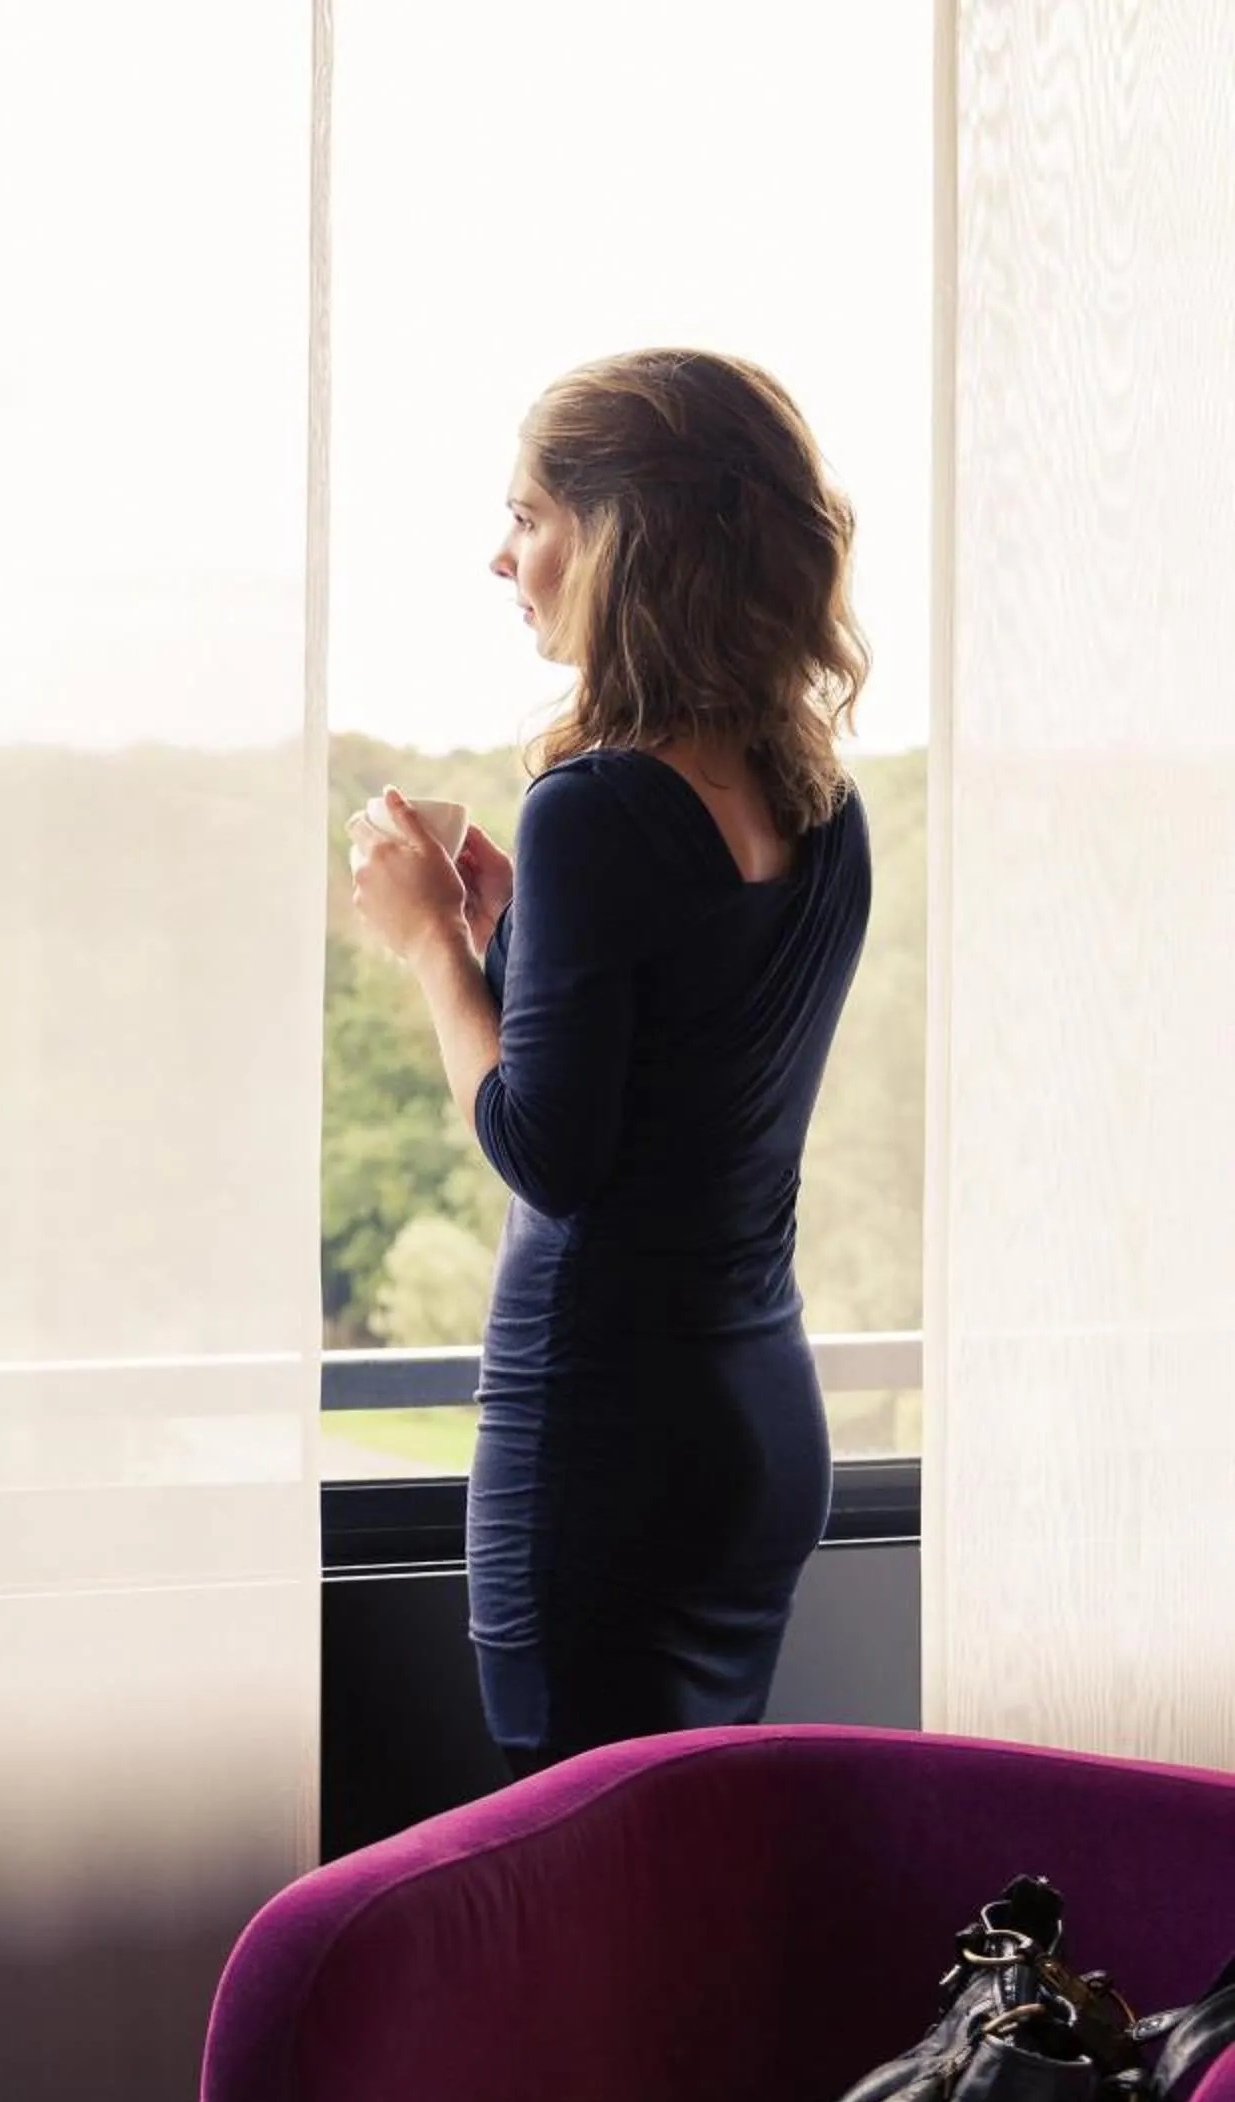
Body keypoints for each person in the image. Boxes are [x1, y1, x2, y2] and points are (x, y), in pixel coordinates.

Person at [346, 347, 874, 1779]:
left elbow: (552, 1148)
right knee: (678, 1875)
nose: (501, 553)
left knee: (585, 1895)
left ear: (620, 532)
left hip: (605, 1438)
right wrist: (519, 913)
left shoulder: (598, 804)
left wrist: (433, 949)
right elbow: (695, 1045)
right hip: (756, 1423)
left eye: (526, 515)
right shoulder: (821, 806)